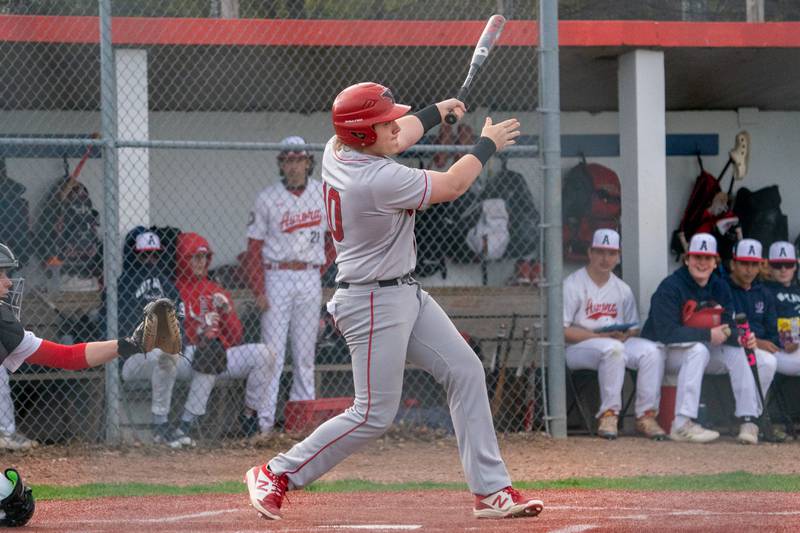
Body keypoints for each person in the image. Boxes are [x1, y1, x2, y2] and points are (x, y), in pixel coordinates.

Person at [244, 82, 543, 521]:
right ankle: (277, 473)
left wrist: (435, 110)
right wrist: (486, 143)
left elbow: (399, 133)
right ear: (364, 135)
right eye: (382, 122)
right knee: (374, 414)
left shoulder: (336, 147)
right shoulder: (379, 179)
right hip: (371, 302)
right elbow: (456, 183)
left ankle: (491, 491)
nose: (392, 127)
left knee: (464, 369)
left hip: (403, 291)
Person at [0, 242, 145, 444]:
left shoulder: (4, 323)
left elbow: (68, 357)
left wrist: (131, 344)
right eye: (1, 275)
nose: (8, 282)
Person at [641, 233, 775, 444]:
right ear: (687, 259)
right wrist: (707, 335)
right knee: (698, 350)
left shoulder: (719, 286)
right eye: (697, 258)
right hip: (664, 352)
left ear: (715, 262)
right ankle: (682, 424)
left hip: (700, 351)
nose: (702, 263)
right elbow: (665, 332)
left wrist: (739, 338)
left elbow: (728, 326)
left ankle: (749, 420)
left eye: (707, 258)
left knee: (738, 352)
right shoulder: (671, 286)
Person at [244, 136, 329, 433]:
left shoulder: (322, 193)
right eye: (289, 160)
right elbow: (253, 248)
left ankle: (302, 424)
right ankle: (265, 425)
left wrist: (320, 269)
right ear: (282, 164)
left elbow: (334, 241)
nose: (294, 166)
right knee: (273, 354)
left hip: (309, 275)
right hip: (276, 274)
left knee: (305, 355)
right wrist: (259, 289)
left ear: (308, 162)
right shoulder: (267, 197)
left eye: (299, 160)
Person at [168, 232, 276, 444]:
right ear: (182, 258)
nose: (201, 263)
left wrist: (226, 311)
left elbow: (235, 337)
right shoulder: (173, 290)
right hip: (189, 355)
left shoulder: (215, 289)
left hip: (219, 354)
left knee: (265, 354)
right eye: (194, 257)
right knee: (209, 355)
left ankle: (249, 416)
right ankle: (185, 425)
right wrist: (200, 333)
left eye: (204, 257)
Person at [563, 229, 667, 440]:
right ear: (590, 252)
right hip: (576, 348)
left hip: (612, 343)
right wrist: (599, 337)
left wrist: (625, 334)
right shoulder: (572, 284)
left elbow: (634, 327)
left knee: (652, 351)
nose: (605, 258)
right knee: (614, 349)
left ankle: (646, 416)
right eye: (600, 252)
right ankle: (609, 415)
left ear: (618, 256)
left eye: (611, 253)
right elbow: (563, 331)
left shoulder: (622, 289)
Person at [118, 228, 191, 447]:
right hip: (133, 358)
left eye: (154, 254)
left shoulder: (168, 285)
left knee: (192, 357)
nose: (150, 260)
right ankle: (161, 427)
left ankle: (182, 425)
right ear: (134, 255)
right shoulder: (123, 285)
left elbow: (181, 320)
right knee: (164, 355)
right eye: (144, 255)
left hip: (165, 354)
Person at [721, 238, 779, 443]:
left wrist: (763, 342)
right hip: (724, 347)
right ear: (733, 264)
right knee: (742, 355)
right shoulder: (722, 287)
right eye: (744, 263)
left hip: (754, 346)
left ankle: (752, 419)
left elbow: (773, 333)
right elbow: (723, 324)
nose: (749, 270)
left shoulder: (764, 292)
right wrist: (755, 342)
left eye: (754, 264)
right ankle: (749, 420)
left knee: (769, 361)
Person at [764, 241, 800, 376]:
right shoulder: (764, 291)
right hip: (781, 347)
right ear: (769, 266)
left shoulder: (798, 289)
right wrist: (790, 338)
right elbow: (788, 344)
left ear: (795, 266)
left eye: (788, 264)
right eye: (778, 265)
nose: (783, 269)